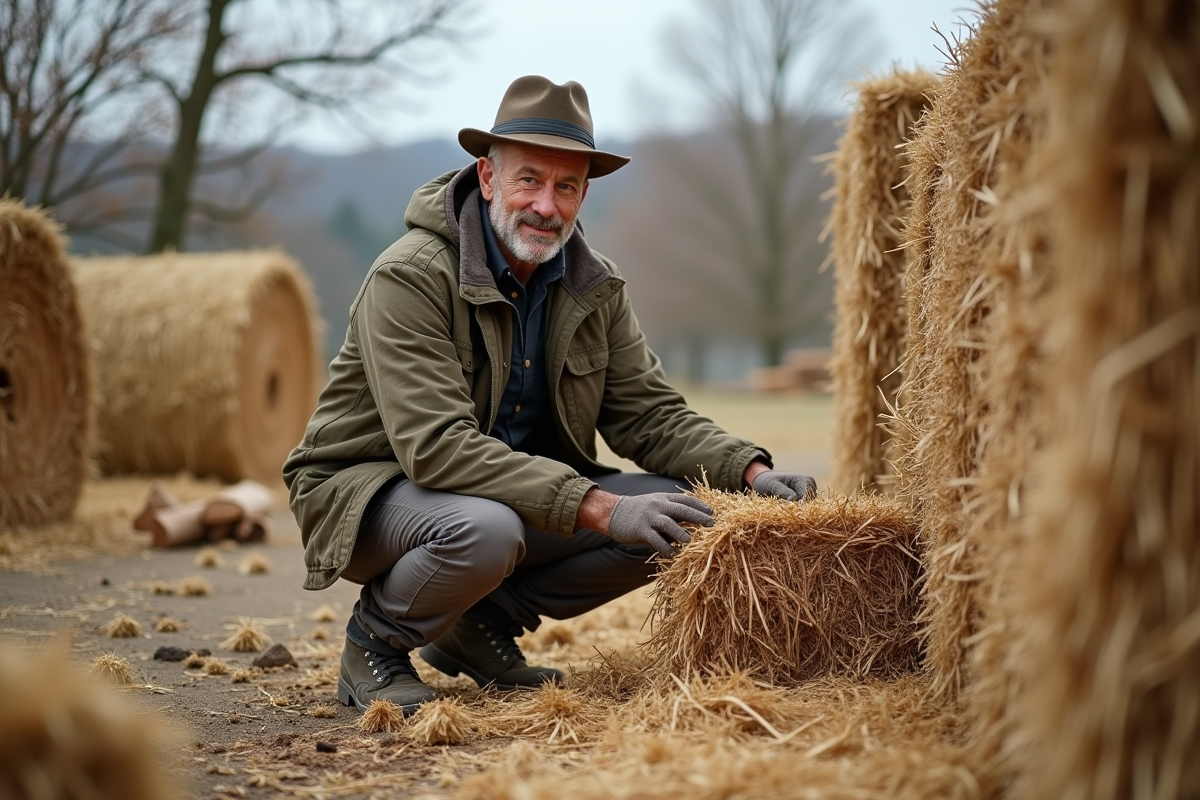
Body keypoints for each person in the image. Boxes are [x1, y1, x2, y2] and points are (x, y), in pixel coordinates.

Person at [282, 75, 817, 715]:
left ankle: (475, 628)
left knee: (684, 513)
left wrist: (750, 473)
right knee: (485, 529)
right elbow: (436, 449)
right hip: (368, 491)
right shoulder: (409, 275)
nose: (546, 205)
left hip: (506, 498)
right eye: (528, 179)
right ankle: (375, 645)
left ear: (584, 194)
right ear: (487, 178)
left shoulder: (595, 287)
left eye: (566, 187)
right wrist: (593, 505)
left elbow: (648, 414)